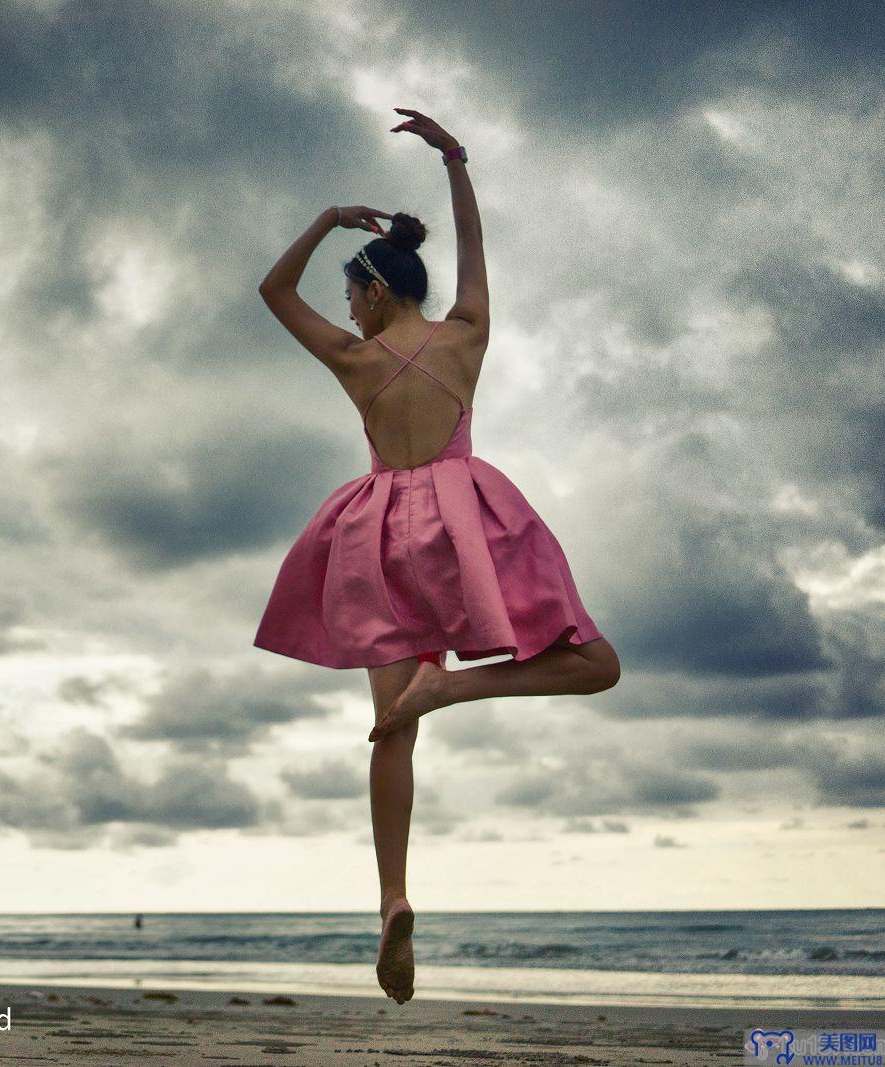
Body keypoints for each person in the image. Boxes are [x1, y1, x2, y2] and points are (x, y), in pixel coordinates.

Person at [251, 107, 622, 1006]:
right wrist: (455, 159)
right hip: (467, 524)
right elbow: (474, 243)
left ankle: (391, 896)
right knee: (597, 664)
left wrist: (329, 218)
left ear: (374, 292)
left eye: (350, 293)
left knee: (390, 734)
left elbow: (273, 290)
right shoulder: (466, 335)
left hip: (380, 537)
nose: (345, 308)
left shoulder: (351, 356)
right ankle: (458, 683)